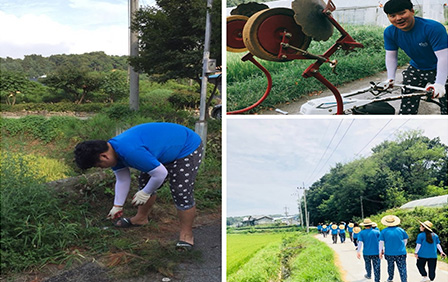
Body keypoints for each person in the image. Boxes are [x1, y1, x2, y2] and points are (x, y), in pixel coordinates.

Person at [74, 122, 203, 250]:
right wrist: (117, 205)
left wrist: (146, 192)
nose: (101, 168)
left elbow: (160, 173)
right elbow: (123, 179)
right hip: (167, 148)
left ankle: (186, 235)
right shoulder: (112, 151)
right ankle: (140, 218)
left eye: (98, 165)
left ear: (104, 156)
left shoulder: (130, 151)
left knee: (180, 190)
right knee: (145, 181)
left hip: (186, 147)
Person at [382, 0, 448, 114]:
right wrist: (390, 78)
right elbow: (391, 56)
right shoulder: (390, 32)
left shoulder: (433, 28)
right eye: (392, 16)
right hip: (416, 68)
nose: (398, 18)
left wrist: (440, 83)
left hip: (441, 67)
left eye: (402, 13)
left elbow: (444, 57)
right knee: (408, 100)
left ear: (412, 11)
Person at [380, 215, 409, 282]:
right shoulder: (401, 230)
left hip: (389, 253)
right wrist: (403, 246)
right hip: (401, 253)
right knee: (402, 268)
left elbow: (381, 243)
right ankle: (404, 280)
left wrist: (380, 252)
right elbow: (405, 240)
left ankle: (390, 278)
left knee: (390, 266)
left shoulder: (384, 231)